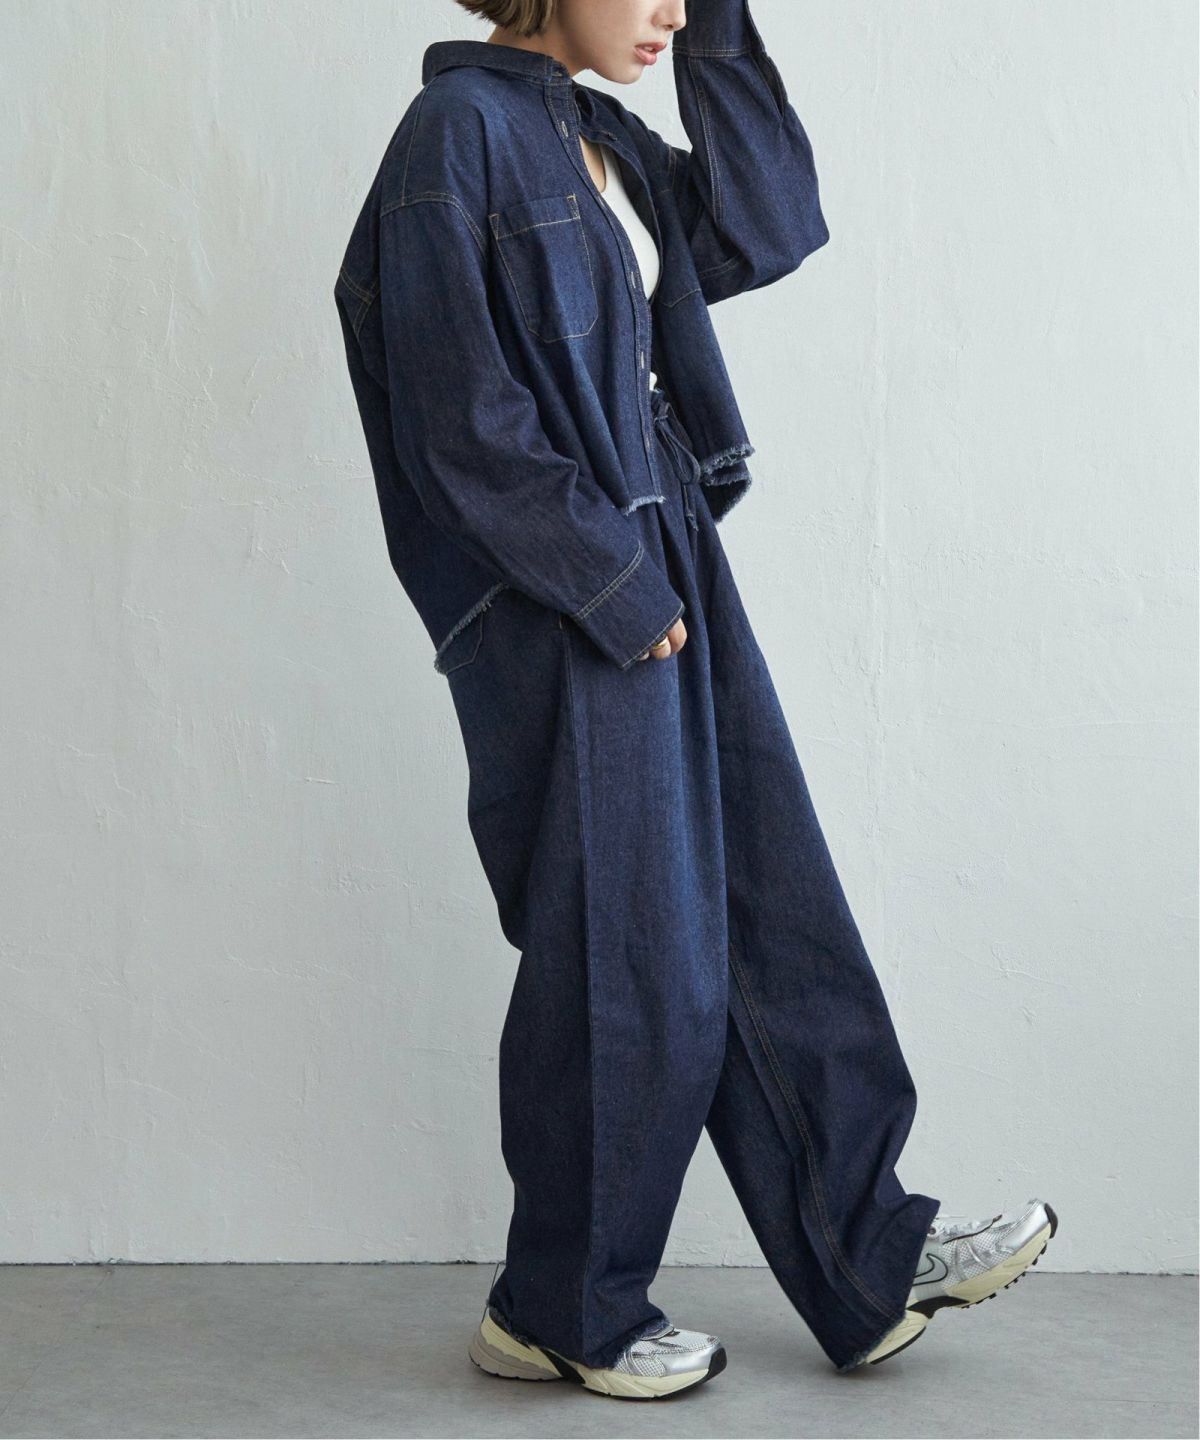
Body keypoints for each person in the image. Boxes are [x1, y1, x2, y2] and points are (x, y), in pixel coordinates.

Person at [333, 0, 1058, 1403]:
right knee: (630, 958)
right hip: (564, 600)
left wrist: (722, 21)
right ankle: (561, 1308)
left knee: (772, 907)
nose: (672, 6)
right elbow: (457, 418)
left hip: (660, 559)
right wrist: (605, 583)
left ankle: (865, 1254)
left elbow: (770, 224)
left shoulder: (601, 136)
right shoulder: (452, 137)